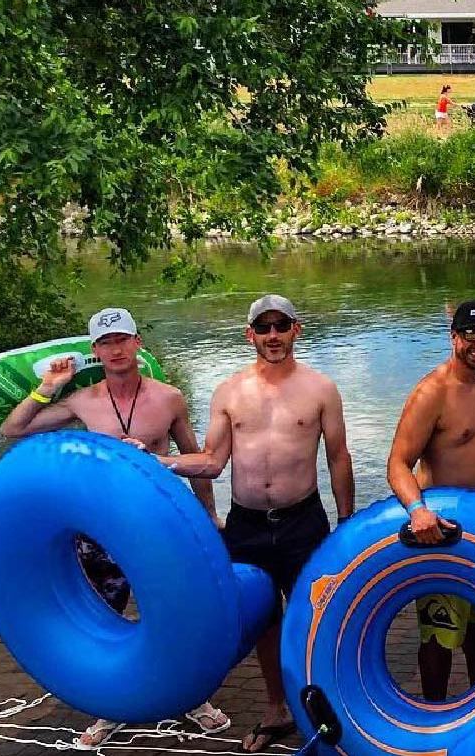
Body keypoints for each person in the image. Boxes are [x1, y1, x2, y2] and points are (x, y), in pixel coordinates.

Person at [0, 308, 229, 751]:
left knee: (181, 615)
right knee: (105, 617)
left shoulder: (169, 398)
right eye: (106, 342)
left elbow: (196, 461)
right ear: (95, 351)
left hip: (160, 530)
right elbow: (14, 429)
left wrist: (209, 517)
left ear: (138, 343)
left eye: (123, 339)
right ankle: (112, 708)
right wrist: (48, 387)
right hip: (101, 530)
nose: (116, 348)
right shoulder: (82, 401)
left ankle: (194, 698)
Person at [159, 295, 355, 753]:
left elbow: (338, 457)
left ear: (296, 330)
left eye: (280, 327)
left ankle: (326, 705)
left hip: (303, 520)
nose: (273, 336)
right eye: (263, 328)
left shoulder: (320, 388)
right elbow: (211, 462)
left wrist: (347, 520)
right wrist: (158, 461)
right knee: (265, 617)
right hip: (246, 523)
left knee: (315, 614)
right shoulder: (229, 391)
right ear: (250, 334)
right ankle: (275, 708)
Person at [386, 300, 475, 701]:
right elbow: (398, 463)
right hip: (443, 533)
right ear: (454, 337)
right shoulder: (431, 393)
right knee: (439, 636)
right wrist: (417, 510)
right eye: (471, 334)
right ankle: (434, 719)